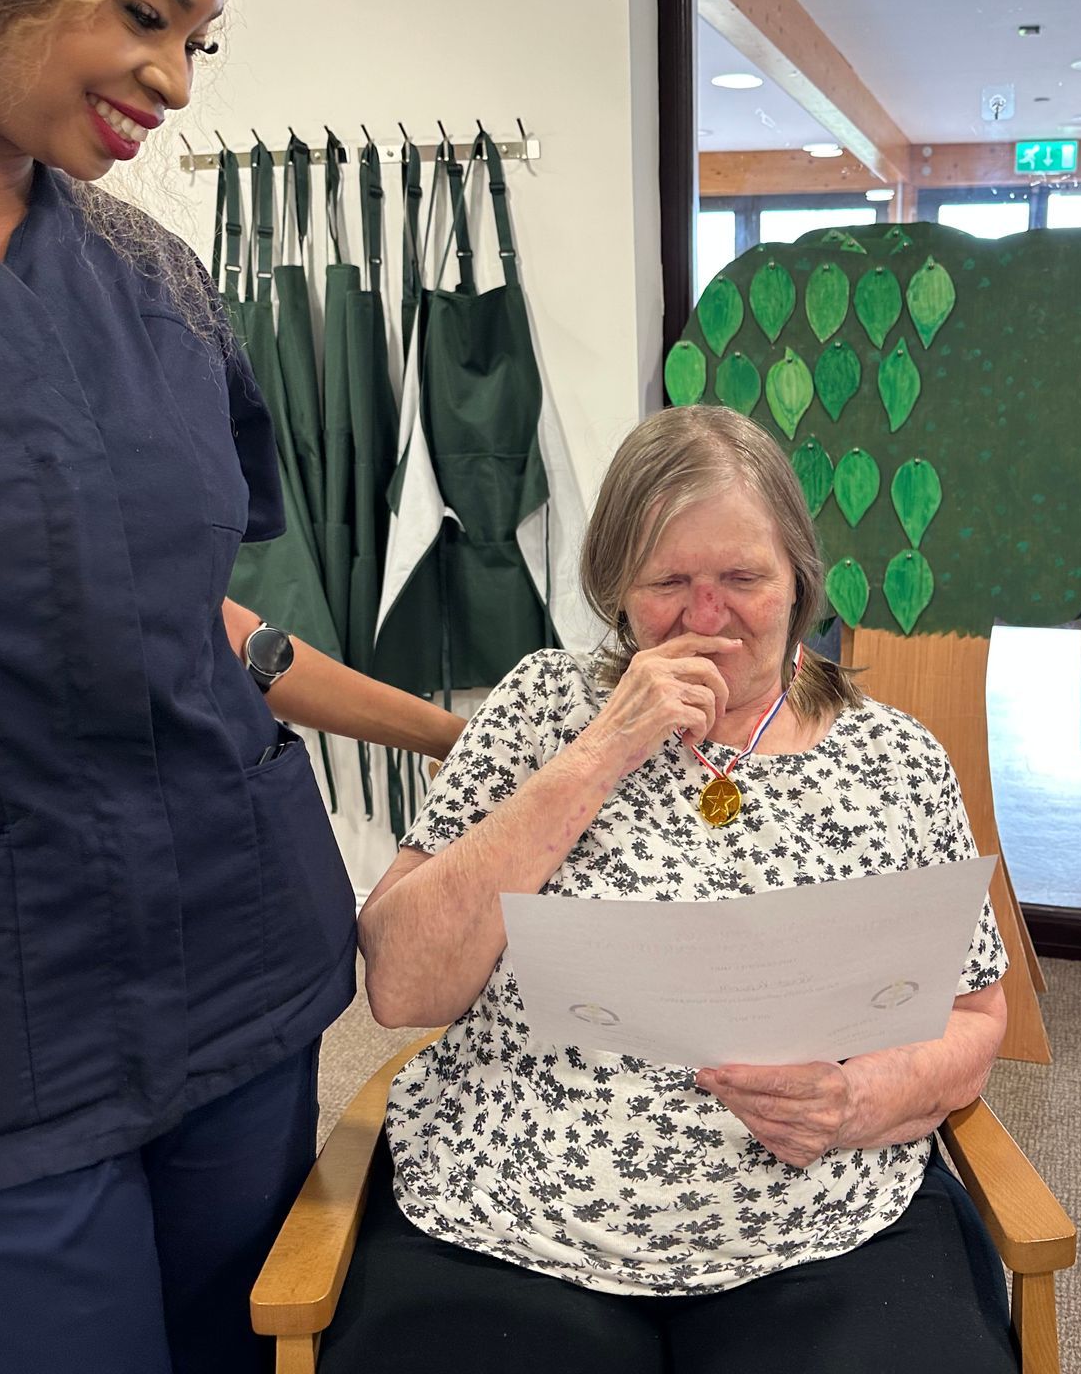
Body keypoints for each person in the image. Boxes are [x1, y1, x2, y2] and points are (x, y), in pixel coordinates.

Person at [0, 0, 462, 1369]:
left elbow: (192, 620)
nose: (172, 80)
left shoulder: (151, 275)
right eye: (145, 12)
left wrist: (458, 735)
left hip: (239, 985)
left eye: (200, 42)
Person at [340, 405, 1017, 1373]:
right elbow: (402, 985)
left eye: (742, 578)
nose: (706, 618)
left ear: (797, 582)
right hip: (518, 1224)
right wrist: (601, 753)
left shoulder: (893, 759)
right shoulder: (539, 709)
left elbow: (974, 1017)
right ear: (618, 591)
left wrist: (855, 1102)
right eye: (668, 584)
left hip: (820, 1223)